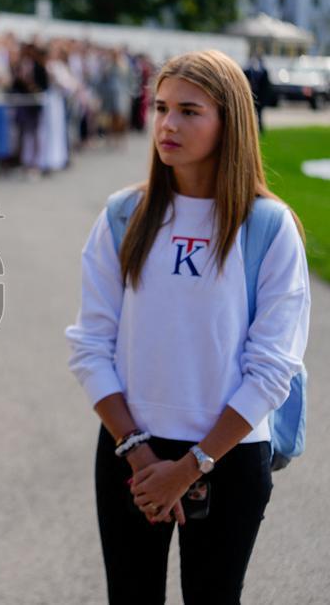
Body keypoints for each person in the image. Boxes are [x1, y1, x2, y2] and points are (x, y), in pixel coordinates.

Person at [65, 49, 310, 604]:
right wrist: (139, 453)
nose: (168, 124)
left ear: (230, 121)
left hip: (228, 457)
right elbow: (89, 345)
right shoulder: (123, 215)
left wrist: (194, 464)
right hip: (131, 452)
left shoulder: (267, 227)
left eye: (190, 111)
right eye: (160, 107)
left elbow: (274, 366)